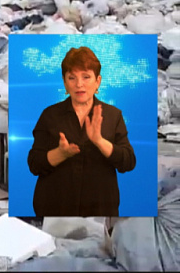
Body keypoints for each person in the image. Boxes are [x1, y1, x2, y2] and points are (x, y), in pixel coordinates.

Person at [27, 46, 137, 217]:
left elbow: (128, 162)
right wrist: (61, 154)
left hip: (100, 210)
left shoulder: (113, 115)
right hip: (54, 209)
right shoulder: (50, 115)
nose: (79, 84)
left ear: (97, 81)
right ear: (64, 82)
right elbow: (34, 164)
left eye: (86, 77)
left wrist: (99, 141)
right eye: (72, 78)